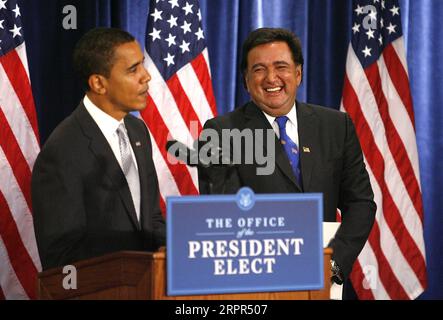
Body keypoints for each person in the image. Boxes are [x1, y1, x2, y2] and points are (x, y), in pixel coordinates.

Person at [198, 28, 376, 290]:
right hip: (257, 282)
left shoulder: (336, 125)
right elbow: (223, 216)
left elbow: (360, 203)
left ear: (298, 73)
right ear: (246, 80)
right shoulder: (221, 132)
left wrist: (333, 264)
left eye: (281, 66)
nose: (271, 78)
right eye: (258, 69)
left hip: (325, 279)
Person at [32, 27, 166, 270]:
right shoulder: (62, 151)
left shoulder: (138, 131)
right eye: (133, 69)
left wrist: (182, 246)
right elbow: (62, 256)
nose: (146, 76)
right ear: (98, 83)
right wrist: (130, 261)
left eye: (142, 65)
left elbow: (151, 219)